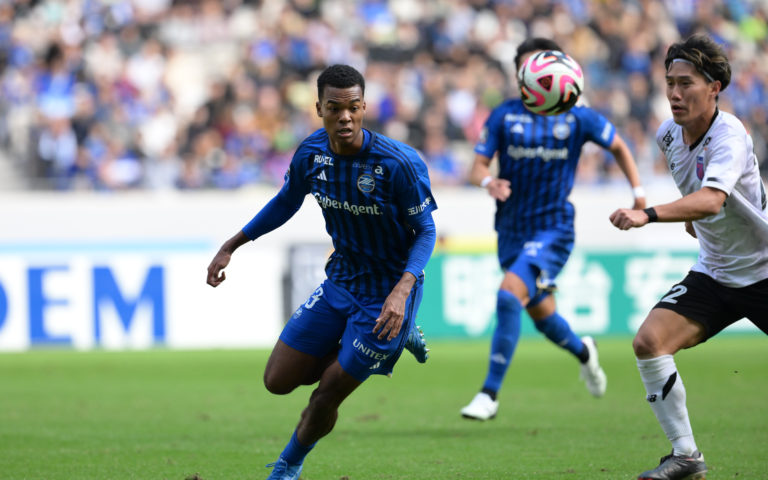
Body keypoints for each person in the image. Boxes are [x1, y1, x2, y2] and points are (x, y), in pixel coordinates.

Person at [206, 64, 436, 480]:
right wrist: (231, 245)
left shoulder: (397, 163)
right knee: (277, 380)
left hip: (387, 295)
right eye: (334, 108)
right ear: (319, 109)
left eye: (353, 107)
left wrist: (403, 289)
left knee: (326, 394)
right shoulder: (312, 154)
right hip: (341, 281)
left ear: (364, 107)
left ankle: (287, 466)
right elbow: (285, 202)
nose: (345, 117)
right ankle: (392, 341)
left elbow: (426, 231)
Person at [460, 37, 646, 421]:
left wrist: (638, 193)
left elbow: (619, 146)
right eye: (531, 70)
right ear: (519, 75)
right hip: (511, 229)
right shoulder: (504, 115)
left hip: (553, 229)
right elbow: (476, 167)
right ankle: (585, 352)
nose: (541, 78)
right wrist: (489, 183)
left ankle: (489, 394)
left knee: (508, 296)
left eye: (547, 71)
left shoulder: (578, 117)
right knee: (543, 318)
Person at [610, 34, 768, 480]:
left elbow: (713, 199)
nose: (674, 94)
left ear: (714, 87)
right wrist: (692, 218)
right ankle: (686, 456)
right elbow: (700, 197)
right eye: (670, 83)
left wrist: (648, 215)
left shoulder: (730, 134)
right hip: (715, 273)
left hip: (762, 270)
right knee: (649, 342)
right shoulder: (668, 135)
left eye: (686, 84)